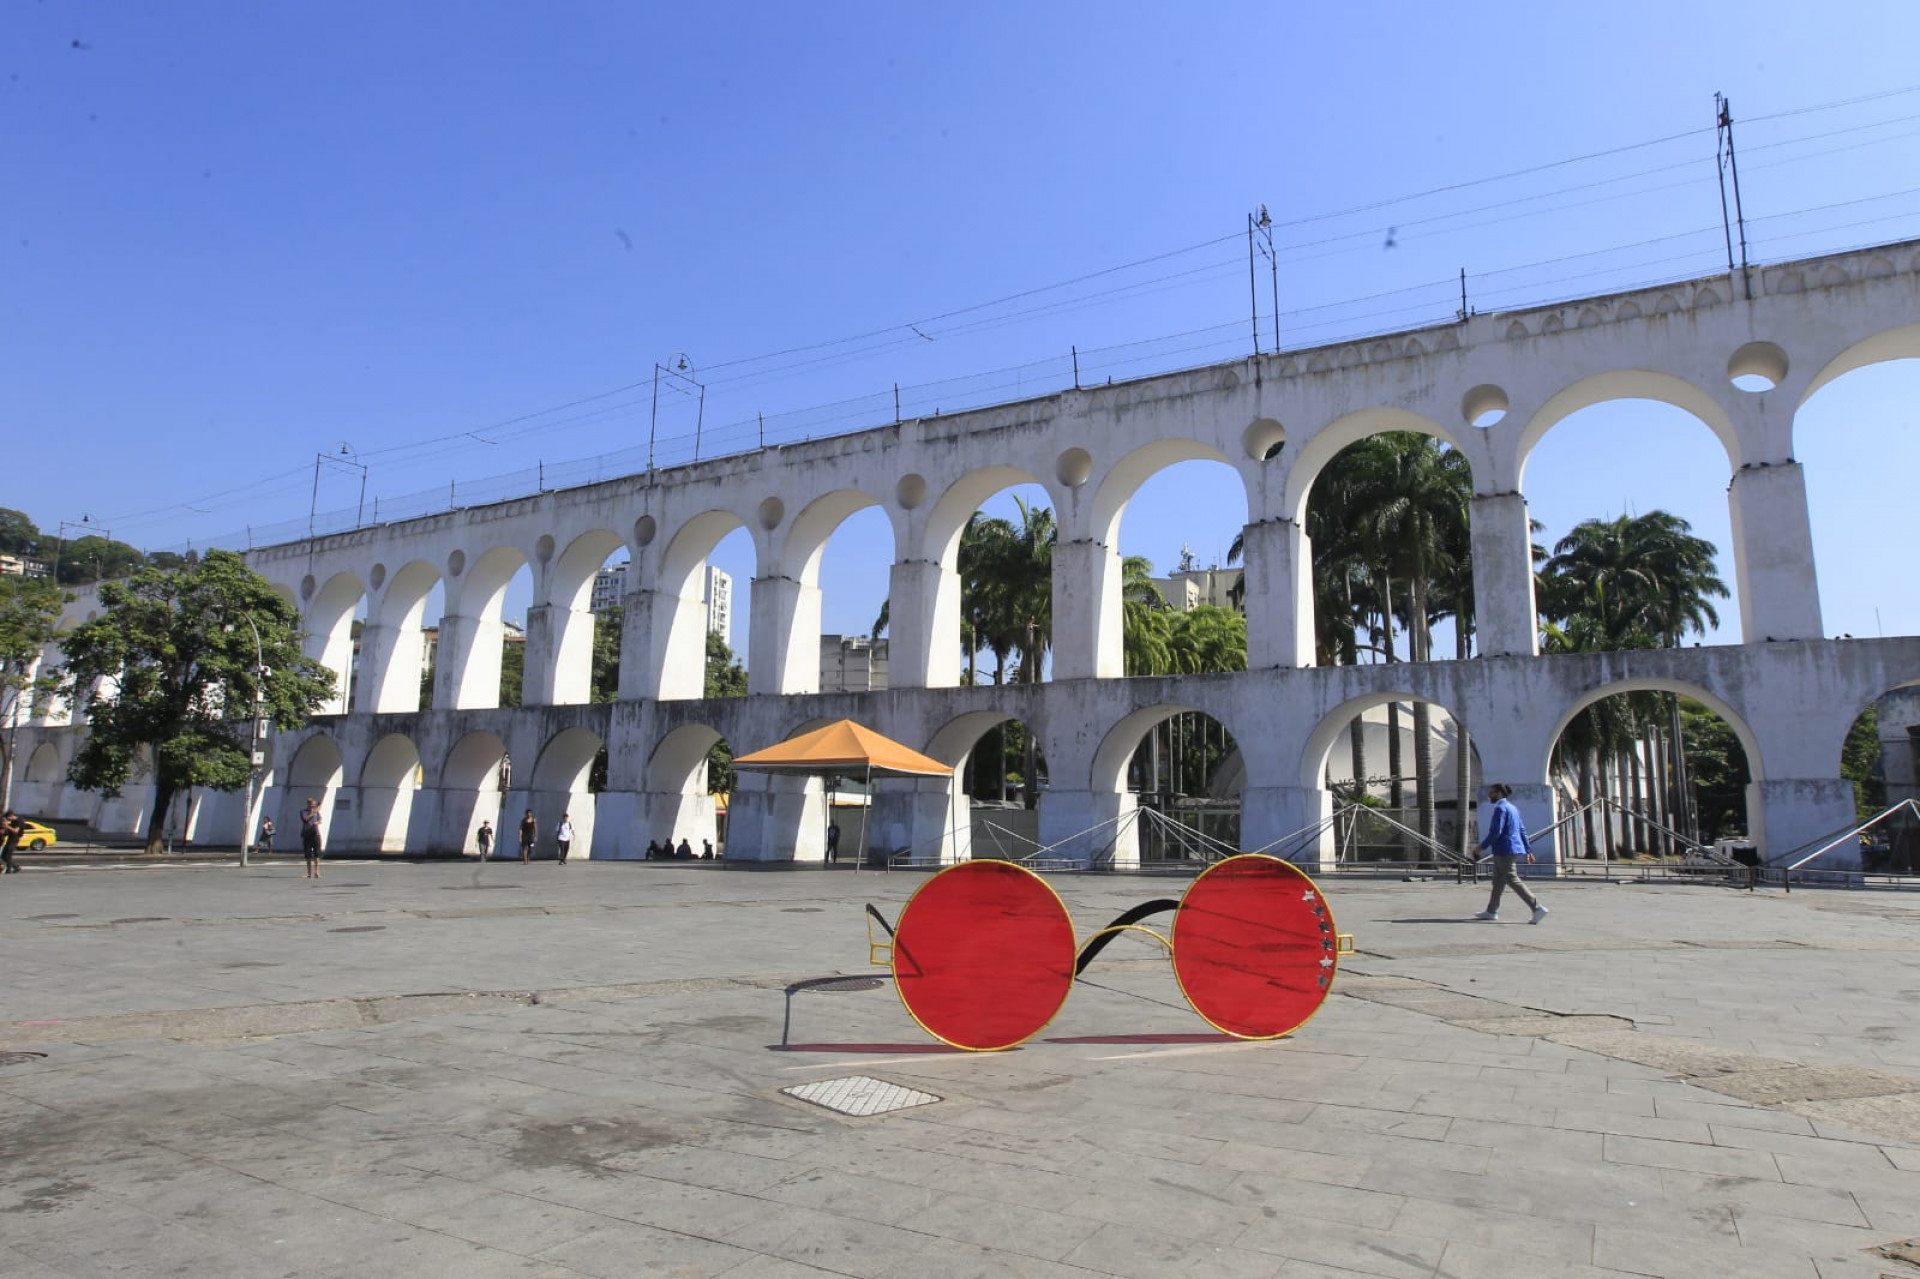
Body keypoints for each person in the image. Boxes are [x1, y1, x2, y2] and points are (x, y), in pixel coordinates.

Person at [1475, 783, 1547, 924]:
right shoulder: (1513, 808)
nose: (1489, 795)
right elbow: (1522, 830)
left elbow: (1496, 832)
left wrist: (1481, 847)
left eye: (1492, 793)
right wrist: (1528, 850)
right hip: (1510, 848)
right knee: (1498, 881)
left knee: (1512, 879)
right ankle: (1491, 911)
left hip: (1504, 849)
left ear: (1500, 793)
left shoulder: (1500, 809)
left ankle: (1537, 907)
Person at [299, 798, 324, 880]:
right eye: (312, 805)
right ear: (308, 804)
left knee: (317, 853)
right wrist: (312, 813)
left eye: (314, 805)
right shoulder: (303, 811)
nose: (313, 806)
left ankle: (317, 872)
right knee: (307, 854)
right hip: (306, 834)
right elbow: (305, 820)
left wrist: (318, 822)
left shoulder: (317, 812)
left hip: (315, 834)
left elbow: (320, 819)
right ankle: (309, 873)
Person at [0, 810, 23, 874]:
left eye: (8, 818)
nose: (8, 820)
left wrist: (7, 826)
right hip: (10, 839)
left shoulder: (19, 821)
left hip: (14, 839)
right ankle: (14, 867)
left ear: (11, 816)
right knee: (3, 856)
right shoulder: (13, 821)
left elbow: (16, 831)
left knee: (8, 855)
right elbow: (9, 831)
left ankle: (11, 868)